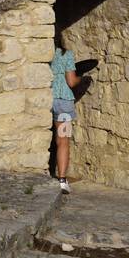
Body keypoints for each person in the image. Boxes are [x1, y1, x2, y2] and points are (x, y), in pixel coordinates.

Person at [50, 30, 81, 194]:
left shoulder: (47, 55)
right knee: (63, 140)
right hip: (63, 102)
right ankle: (62, 180)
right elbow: (71, 81)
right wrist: (80, 78)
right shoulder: (66, 54)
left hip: (47, 98)